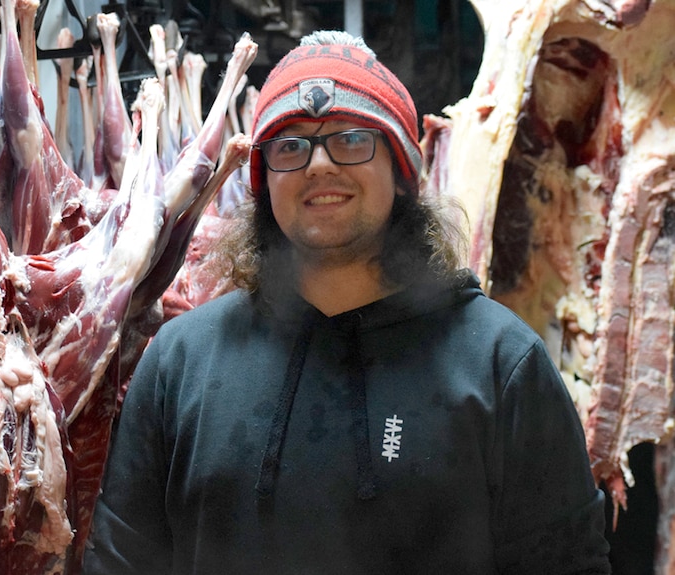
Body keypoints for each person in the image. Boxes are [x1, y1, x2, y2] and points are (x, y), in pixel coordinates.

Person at [84, 30, 611, 574]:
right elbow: (121, 561)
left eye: (351, 138)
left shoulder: (501, 363)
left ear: (402, 172)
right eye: (290, 145)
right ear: (265, 183)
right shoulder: (181, 359)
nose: (317, 165)